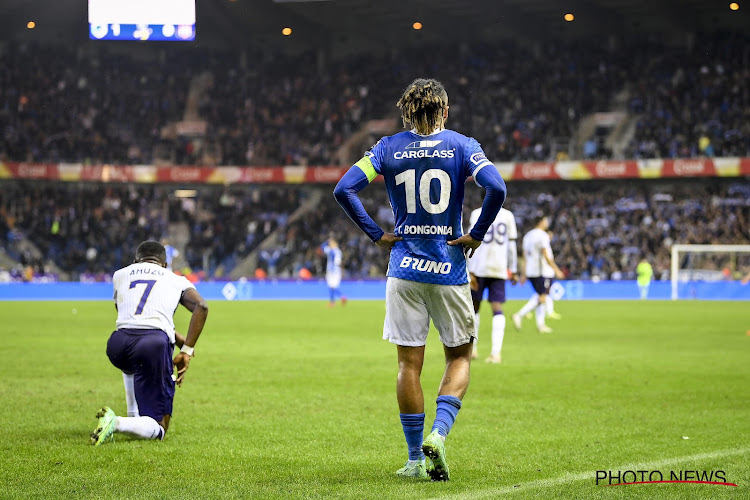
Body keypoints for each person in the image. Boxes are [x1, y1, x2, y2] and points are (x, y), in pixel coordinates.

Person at [334, 78, 506, 481]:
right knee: (460, 357)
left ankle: (414, 459)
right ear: (445, 111)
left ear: (405, 112)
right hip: (450, 267)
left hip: (404, 269)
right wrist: (476, 234)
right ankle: (439, 436)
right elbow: (496, 187)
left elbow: (344, 189)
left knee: (408, 366)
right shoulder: (465, 146)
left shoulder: (386, 148)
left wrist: (377, 234)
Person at [90, 240, 208, 446]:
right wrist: (186, 349)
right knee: (160, 426)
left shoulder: (120, 275)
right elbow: (202, 307)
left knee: (132, 363)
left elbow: (129, 313)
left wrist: (174, 335)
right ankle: (116, 423)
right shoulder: (175, 279)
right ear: (164, 264)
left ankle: (132, 415)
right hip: (152, 345)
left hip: (117, 344)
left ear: (136, 260)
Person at [467, 205, 518, 364]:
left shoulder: (476, 213)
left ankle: (472, 349)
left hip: (478, 267)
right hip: (498, 268)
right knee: (497, 308)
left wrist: (469, 269)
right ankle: (496, 353)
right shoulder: (508, 215)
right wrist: (513, 269)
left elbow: (471, 241)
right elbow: (511, 245)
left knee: (474, 308)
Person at [512, 215, 564, 334]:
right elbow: (545, 254)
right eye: (545, 220)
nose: (547, 222)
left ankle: (541, 325)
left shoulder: (527, 236)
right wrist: (556, 269)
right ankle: (519, 315)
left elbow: (525, 257)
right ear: (541, 222)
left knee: (541, 295)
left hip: (531, 271)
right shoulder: (542, 235)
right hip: (542, 271)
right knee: (542, 297)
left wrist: (524, 273)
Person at [321, 237, 346, 307]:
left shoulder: (331, 250)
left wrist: (327, 241)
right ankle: (340, 298)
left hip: (332, 271)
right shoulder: (339, 251)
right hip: (337, 271)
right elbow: (339, 262)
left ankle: (336, 299)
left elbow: (322, 247)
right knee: (333, 286)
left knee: (331, 286)